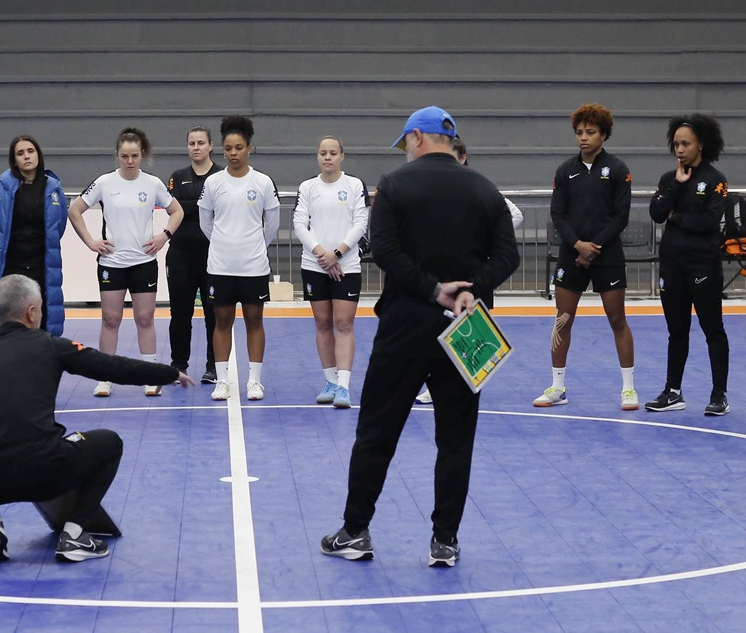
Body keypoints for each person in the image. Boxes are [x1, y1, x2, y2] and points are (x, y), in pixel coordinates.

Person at [320, 106, 519, 567]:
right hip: (466, 328)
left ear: (416, 138)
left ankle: (355, 531)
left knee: (377, 431)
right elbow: (507, 256)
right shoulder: (485, 189)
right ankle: (445, 541)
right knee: (456, 438)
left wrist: (433, 290)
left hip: (405, 324)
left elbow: (385, 251)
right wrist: (470, 290)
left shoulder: (394, 185)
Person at [0, 275, 192, 563]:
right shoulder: (51, 345)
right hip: (45, 474)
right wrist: (167, 373)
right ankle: (73, 533)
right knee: (110, 443)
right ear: (31, 312)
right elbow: (112, 367)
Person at [66, 127, 186, 397]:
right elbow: (75, 210)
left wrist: (164, 235)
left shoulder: (153, 184)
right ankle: (105, 377)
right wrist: (90, 241)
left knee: (145, 318)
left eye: (134, 156)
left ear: (142, 154)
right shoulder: (104, 183)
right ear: (117, 155)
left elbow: (177, 211)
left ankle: (151, 376)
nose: (130, 161)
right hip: (112, 263)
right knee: (110, 319)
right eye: (124, 156)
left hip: (144, 262)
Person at [537, 103, 637, 411]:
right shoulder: (565, 171)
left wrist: (594, 247)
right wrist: (578, 245)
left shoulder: (618, 170)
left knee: (617, 320)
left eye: (590, 132)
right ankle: (557, 387)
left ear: (603, 135)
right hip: (571, 256)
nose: (583, 137)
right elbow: (558, 214)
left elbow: (621, 217)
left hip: (608, 256)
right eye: (579, 132)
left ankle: (629, 389)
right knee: (562, 321)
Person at [412, 137, 524, 406]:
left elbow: (515, 214)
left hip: (473, 274)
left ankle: (466, 381)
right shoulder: (434, 189)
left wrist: (488, 239)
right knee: (437, 328)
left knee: (469, 330)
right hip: (442, 273)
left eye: (456, 156)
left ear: (463, 158)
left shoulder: (480, 188)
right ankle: (435, 383)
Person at [645, 114, 731, 416]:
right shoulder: (669, 179)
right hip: (672, 265)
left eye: (686, 144)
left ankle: (719, 395)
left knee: (713, 330)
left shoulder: (716, 180)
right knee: (676, 331)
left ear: (701, 145)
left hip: (702, 266)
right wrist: (675, 187)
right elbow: (657, 213)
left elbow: (709, 222)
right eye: (676, 144)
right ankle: (673, 391)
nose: (680, 149)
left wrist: (676, 217)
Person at [199, 115, 280, 402]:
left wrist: (254, 245)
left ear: (249, 149)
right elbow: (206, 222)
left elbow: (272, 223)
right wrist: (224, 244)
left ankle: (254, 381)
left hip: (253, 266)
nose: (233, 153)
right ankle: (222, 381)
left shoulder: (262, 182)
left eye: (239, 148)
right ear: (222, 150)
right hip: (220, 266)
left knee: (254, 321)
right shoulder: (213, 182)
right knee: (222, 322)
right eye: (228, 148)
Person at [292, 135, 370, 409]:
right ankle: (330, 381)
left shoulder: (354, 185)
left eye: (333, 153)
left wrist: (336, 254)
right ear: (317, 156)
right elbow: (299, 224)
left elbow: (360, 223)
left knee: (344, 323)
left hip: (346, 265)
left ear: (341, 156)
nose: (327, 157)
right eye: (323, 153)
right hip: (314, 265)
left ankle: (343, 386)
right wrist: (321, 255)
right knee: (323, 323)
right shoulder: (308, 187)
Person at [0, 134, 69, 339]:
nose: (26, 156)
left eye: (30, 151)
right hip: (8, 268)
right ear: (14, 160)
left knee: (41, 327)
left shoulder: (54, 191)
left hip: (41, 269)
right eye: (20, 153)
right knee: (6, 325)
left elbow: (58, 227)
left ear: (38, 155)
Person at [166, 127, 222, 383]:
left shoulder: (221, 176)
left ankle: (214, 366)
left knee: (214, 314)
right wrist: (202, 204)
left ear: (211, 145)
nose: (196, 147)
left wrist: (188, 206)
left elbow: (219, 209)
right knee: (180, 314)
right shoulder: (177, 177)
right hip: (180, 255)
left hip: (213, 255)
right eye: (191, 143)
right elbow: (173, 207)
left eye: (201, 143)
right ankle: (179, 365)